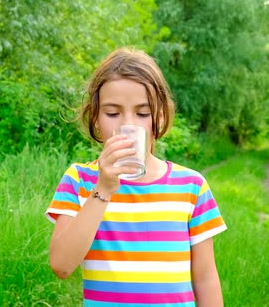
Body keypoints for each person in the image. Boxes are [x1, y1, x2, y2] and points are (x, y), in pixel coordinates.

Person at [45, 47, 227, 306]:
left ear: (159, 116)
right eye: (112, 113)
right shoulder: (79, 180)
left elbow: (206, 279)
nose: (128, 124)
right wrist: (103, 189)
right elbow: (61, 266)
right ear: (95, 117)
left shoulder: (192, 186)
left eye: (142, 113)